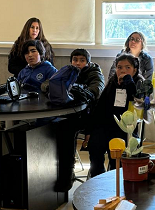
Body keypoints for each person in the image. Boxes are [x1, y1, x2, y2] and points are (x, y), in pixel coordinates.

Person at [53, 48, 104, 192]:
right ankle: (60, 174)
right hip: (72, 114)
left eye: (82, 60)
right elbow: (48, 84)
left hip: (91, 116)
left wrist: (76, 90)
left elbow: (96, 89)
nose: (78, 63)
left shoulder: (95, 73)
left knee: (66, 130)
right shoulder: (67, 71)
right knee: (56, 127)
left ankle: (66, 177)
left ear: (88, 62)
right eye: (75, 60)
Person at [88, 53, 146, 178]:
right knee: (95, 146)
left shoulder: (139, 82)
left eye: (127, 67)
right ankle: (98, 178)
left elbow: (138, 103)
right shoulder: (113, 82)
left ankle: (116, 179)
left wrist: (128, 82)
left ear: (134, 70)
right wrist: (90, 130)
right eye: (119, 67)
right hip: (107, 124)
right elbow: (100, 106)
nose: (123, 70)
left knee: (117, 151)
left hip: (126, 127)